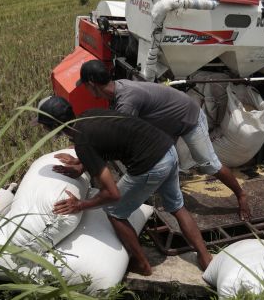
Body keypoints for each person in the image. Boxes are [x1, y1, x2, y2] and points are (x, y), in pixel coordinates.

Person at [35, 96, 212, 275]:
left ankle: (142, 264)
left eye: (44, 126)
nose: (43, 130)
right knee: (177, 206)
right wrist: (82, 164)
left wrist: (80, 205)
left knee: (114, 211)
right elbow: (108, 143)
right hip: (168, 150)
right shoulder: (88, 116)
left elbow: (112, 194)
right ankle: (205, 257)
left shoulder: (82, 141)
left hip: (152, 164)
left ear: (53, 126)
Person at [76, 59, 252, 221]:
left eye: (84, 85)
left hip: (188, 118)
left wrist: (84, 162)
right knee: (160, 159)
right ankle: (164, 195)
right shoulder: (118, 89)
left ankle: (241, 194)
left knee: (208, 163)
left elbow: (114, 140)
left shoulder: (126, 101)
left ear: (91, 83)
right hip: (167, 122)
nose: (85, 89)